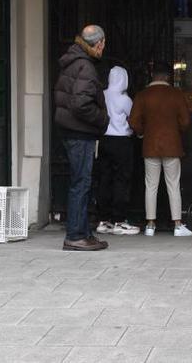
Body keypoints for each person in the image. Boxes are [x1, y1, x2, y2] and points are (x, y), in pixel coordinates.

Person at [54, 25, 110, 251]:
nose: (104, 48)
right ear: (98, 44)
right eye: (103, 44)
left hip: (71, 131)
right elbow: (80, 103)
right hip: (80, 133)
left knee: (80, 183)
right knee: (81, 184)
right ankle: (76, 235)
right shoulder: (85, 67)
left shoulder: (73, 62)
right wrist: (102, 119)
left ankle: (84, 232)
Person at [129, 61, 192, 237]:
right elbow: (186, 122)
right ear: (168, 76)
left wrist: (143, 133)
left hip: (150, 145)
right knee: (173, 185)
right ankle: (178, 225)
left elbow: (133, 121)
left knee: (151, 185)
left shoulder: (143, 95)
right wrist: (176, 130)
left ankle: (150, 225)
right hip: (172, 145)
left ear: (152, 75)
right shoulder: (176, 95)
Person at [95, 66, 140, 236]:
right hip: (122, 141)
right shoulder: (124, 99)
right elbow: (133, 118)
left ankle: (102, 220)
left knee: (104, 179)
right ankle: (119, 220)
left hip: (104, 140)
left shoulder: (102, 95)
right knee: (122, 180)